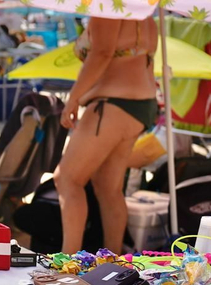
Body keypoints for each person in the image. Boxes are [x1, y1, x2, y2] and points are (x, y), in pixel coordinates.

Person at [53, 16, 159, 252]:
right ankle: (113, 260)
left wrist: (73, 100)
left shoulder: (109, 0)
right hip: (140, 105)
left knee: (67, 179)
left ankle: (66, 262)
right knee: (108, 187)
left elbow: (101, 53)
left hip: (113, 104)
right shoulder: (143, 4)